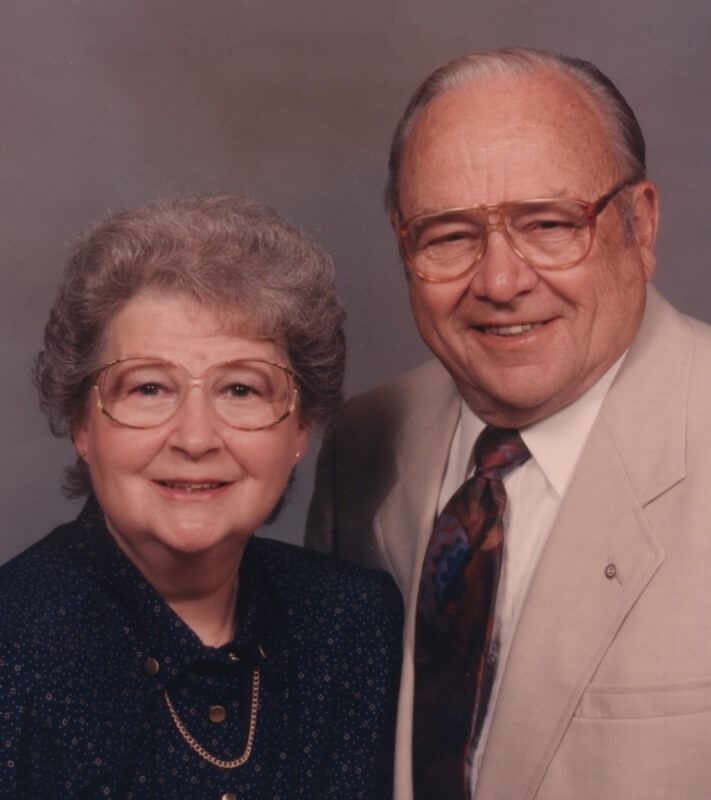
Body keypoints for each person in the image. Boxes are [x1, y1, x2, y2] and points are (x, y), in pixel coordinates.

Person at [306, 47, 711, 800]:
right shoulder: (364, 442)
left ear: (641, 225)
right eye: (449, 235)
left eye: (549, 223)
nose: (499, 281)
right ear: (404, 247)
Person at [0, 194, 403, 799]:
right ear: (83, 424)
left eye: (241, 389)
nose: (195, 438)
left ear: (299, 429)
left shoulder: (354, 626)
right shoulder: (13, 645)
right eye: (149, 388)